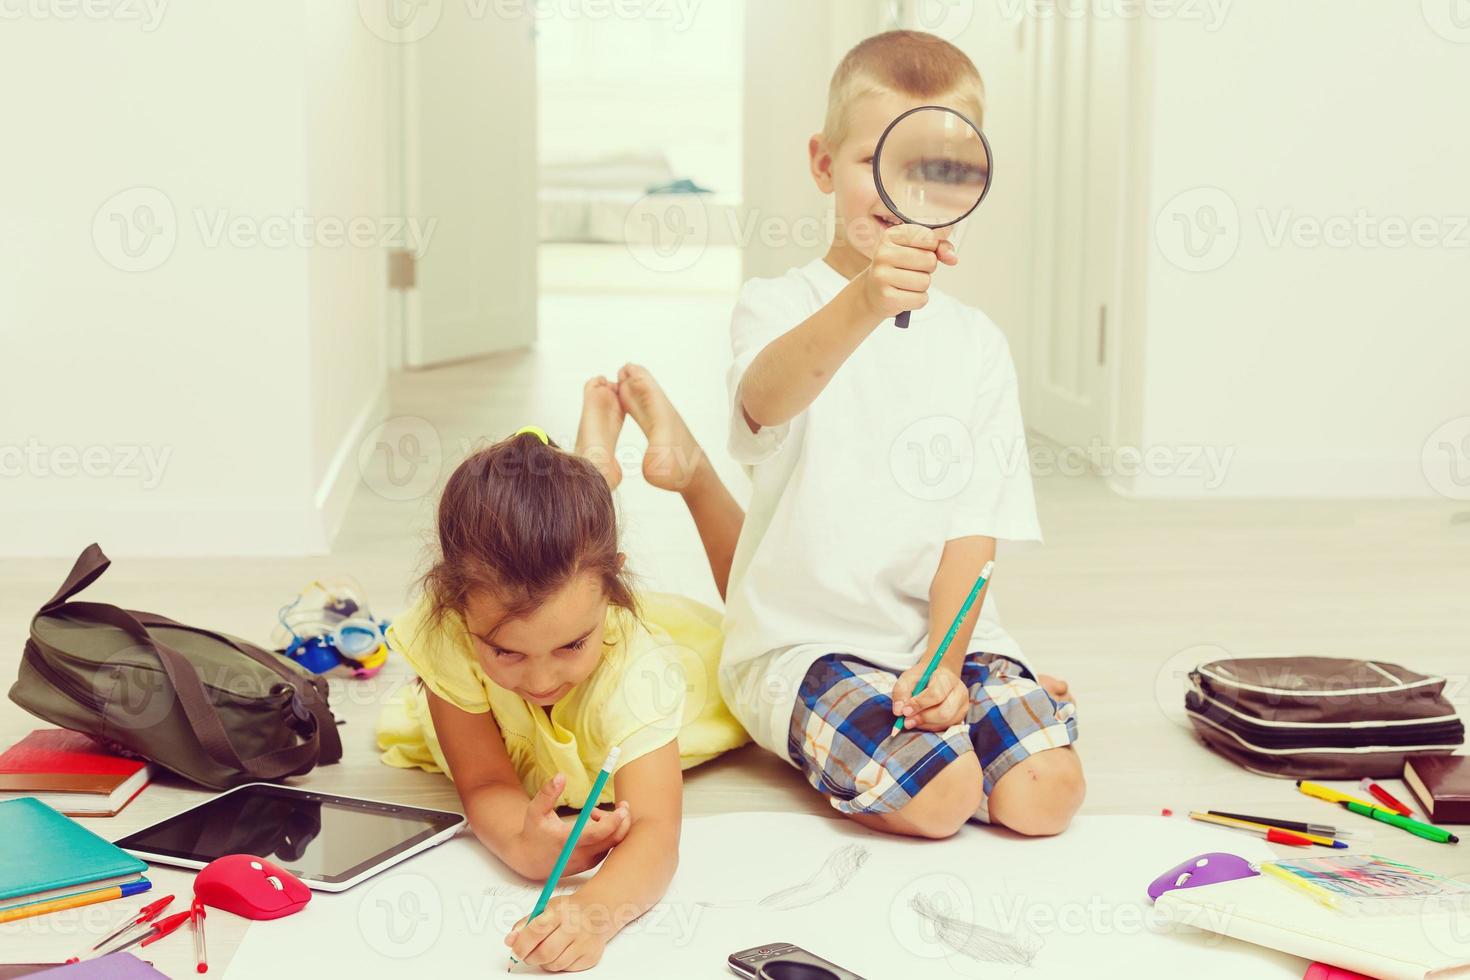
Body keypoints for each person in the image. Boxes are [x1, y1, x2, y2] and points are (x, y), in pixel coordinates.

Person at [717, 30, 1083, 842]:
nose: (902, 189)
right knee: (939, 797)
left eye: (938, 168)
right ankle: (933, 742)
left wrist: (947, 666)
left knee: (1047, 796)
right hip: (806, 646)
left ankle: (966, 722)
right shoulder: (774, 305)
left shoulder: (978, 342)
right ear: (822, 164)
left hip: (948, 639)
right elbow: (765, 401)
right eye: (877, 162)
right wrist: (865, 302)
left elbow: (972, 528)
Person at [375, 369, 748, 972]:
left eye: (573, 645)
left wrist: (594, 911)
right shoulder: (449, 627)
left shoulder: (637, 667)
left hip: (636, 637)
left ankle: (598, 463)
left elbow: (656, 830)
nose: (544, 681)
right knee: (565, 532)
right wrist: (522, 845)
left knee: (742, 634)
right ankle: (591, 463)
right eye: (507, 652)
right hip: (561, 590)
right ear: (454, 605)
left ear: (611, 590)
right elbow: (485, 785)